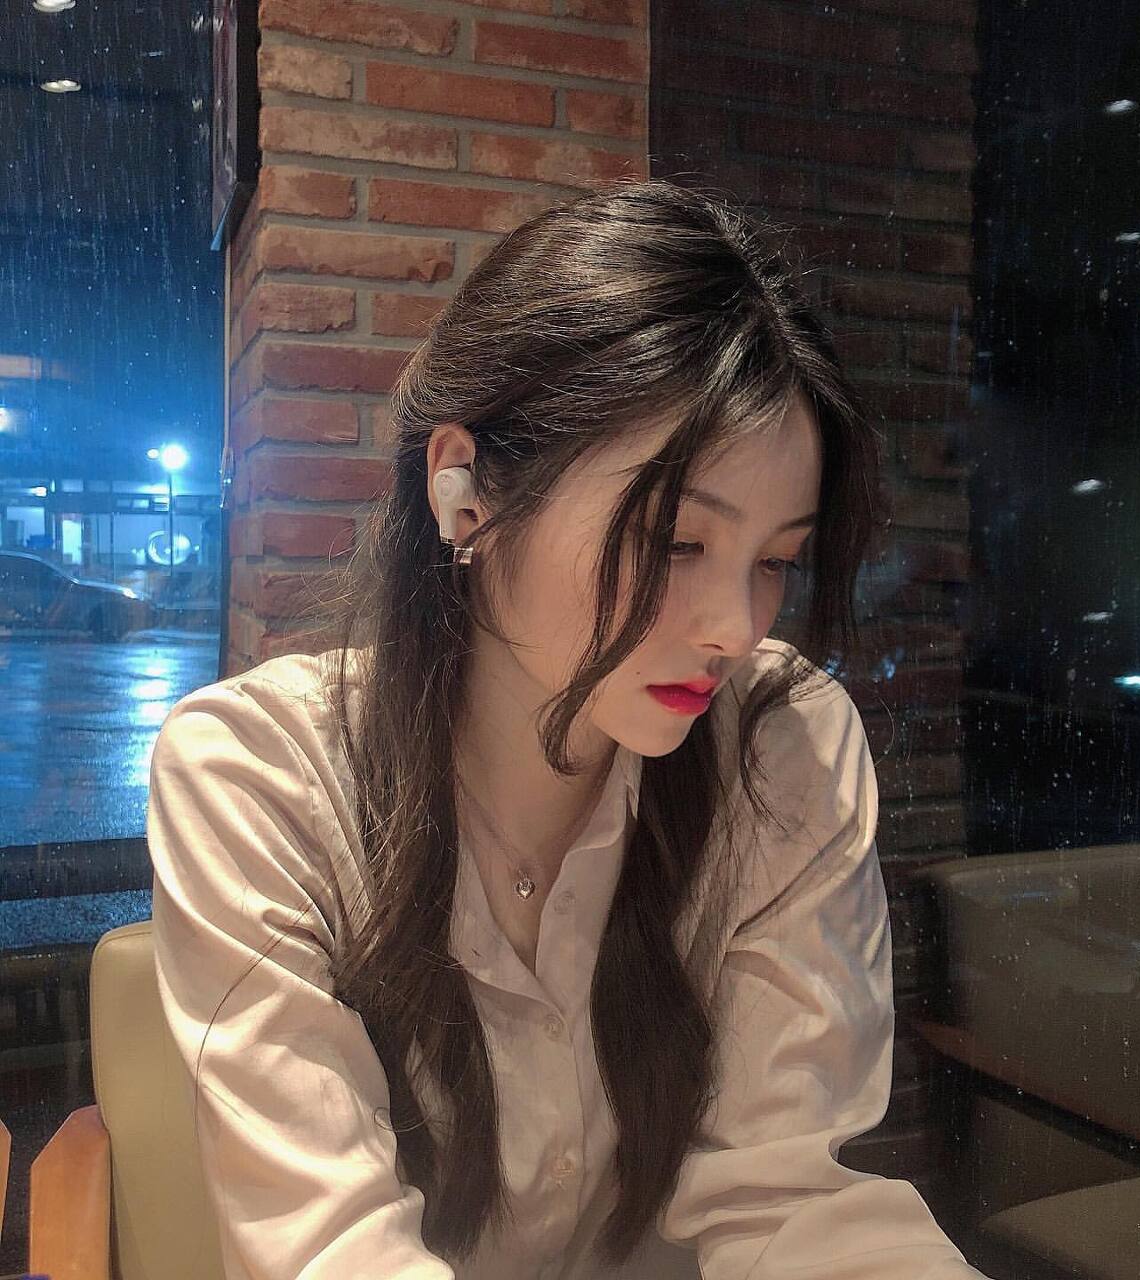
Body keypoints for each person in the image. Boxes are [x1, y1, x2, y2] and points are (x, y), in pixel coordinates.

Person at [148, 177, 992, 1280]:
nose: (736, 627)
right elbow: (331, 1251)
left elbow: (792, 1201)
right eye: (676, 541)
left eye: (775, 560)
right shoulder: (260, 778)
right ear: (465, 494)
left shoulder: (778, 747)